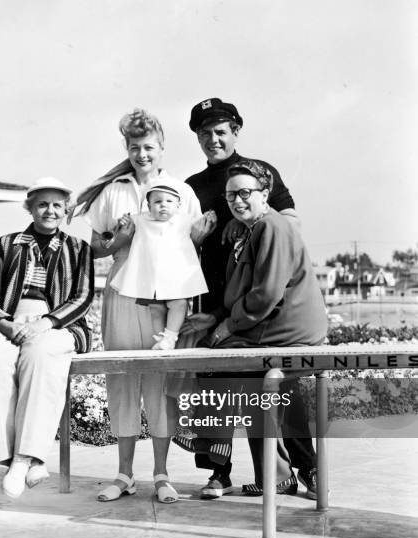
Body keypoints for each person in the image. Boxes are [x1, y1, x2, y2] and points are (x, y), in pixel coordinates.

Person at [180, 97, 318, 499]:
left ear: (235, 132)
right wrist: (199, 239)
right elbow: (181, 242)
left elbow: (289, 224)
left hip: (262, 297)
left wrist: (247, 234)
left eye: (220, 131)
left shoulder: (259, 173)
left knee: (279, 383)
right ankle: (217, 472)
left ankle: (304, 468)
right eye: (204, 133)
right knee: (215, 381)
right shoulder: (193, 186)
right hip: (216, 294)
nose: (213, 139)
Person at [82, 109, 209, 503]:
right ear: (127, 148)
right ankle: (123, 474)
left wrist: (203, 236)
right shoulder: (114, 190)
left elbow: (190, 247)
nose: (142, 154)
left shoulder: (181, 191)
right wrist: (119, 236)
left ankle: (161, 473)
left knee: (158, 384)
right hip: (122, 293)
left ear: (162, 147)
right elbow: (95, 249)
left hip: (164, 298)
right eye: (134, 147)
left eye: (149, 146)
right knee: (121, 381)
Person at [0, 177, 94, 499]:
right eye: (42, 204)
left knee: (40, 357)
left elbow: (82, 298)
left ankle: (22, 459)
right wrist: (4, 324)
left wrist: (46, 323)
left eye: (56, 205)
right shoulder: (5, 244)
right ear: (30, 208)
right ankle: (25, 459)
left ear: (66, 210)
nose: (49, 211)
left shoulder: (77, 248)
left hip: (56, 325)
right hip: (8, 322)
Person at [110, 179, 214, 349]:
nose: (163, 205)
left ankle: (170, 337)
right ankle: (160, 340)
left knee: (179, 304)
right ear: (149, 206)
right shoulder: (140, 220)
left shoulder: (184, 220)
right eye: (157, 202)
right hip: (150, 274)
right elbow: (122, 222)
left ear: (178, 205)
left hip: (175, 274)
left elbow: (201, 224)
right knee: (156, 309)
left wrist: (208, 217)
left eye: (169, 201)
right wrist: (122, 222)